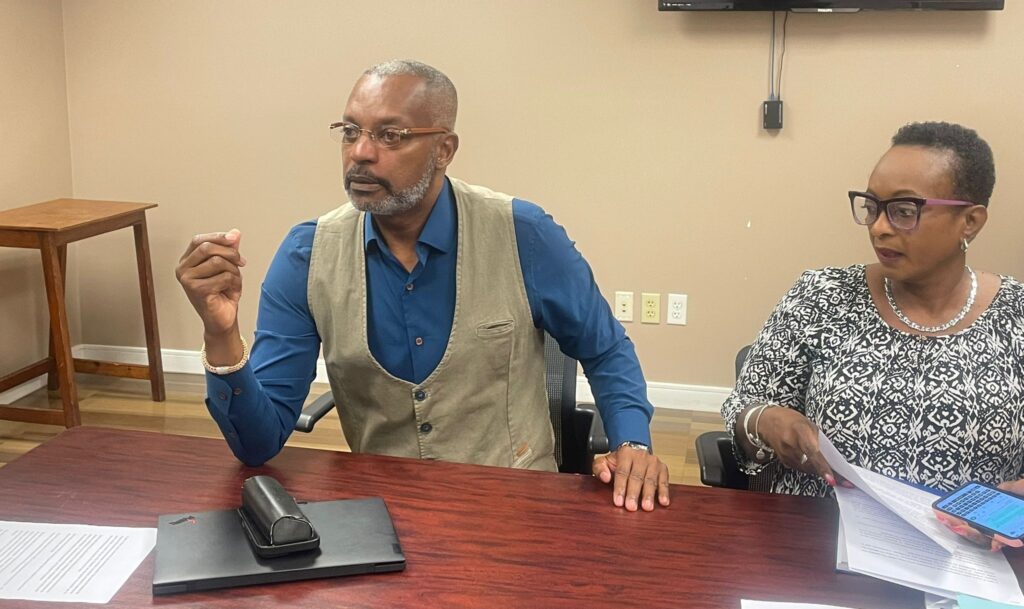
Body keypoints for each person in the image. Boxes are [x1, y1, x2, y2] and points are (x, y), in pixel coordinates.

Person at [175, 59, 669, 512]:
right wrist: (221, 334)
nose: (360, 153)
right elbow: (258, 445)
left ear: (444, 150)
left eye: (390, 135)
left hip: (516, 505)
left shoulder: (523, 234)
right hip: (381, 512)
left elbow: (606, 349)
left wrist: (632, 443)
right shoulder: (307, 256)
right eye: (350, 132)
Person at [721, 122, 1024, 518]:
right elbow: (741, 406)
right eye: (872, 207)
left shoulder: (1016, 316)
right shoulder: (821, 296)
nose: (879, 228)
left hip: (966, 549)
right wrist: (768, 420)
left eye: (904, 211)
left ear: (970, 221)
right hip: (817, 535)